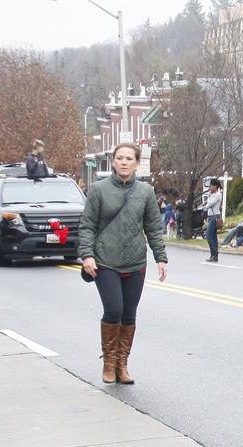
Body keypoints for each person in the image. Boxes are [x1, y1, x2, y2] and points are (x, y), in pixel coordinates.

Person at [78, 143, 168, 385]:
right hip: (105, 261)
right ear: (113, 161)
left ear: (137, 163)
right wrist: (87, 255)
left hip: (135, 261)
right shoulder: (98, 190)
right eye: (120, 158)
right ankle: (108, 362)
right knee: (114, 309)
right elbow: (86, 226)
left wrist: (161, 257)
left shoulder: (146, 192)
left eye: (129, 158)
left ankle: (122, 364)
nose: (124, 162)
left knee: (129, 313)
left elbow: (153, 227)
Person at [204, 178, 222, 263]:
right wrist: (209, 196)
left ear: (216, 186)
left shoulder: (217, 194)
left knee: (208, 236)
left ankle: (214, 253)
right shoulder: (213, 194)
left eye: (212, 185)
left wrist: (209, 197)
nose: (210, 187)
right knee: (213, 236)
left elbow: (209, 204)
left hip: (214, 217)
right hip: (212, 216)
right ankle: (214, 255)